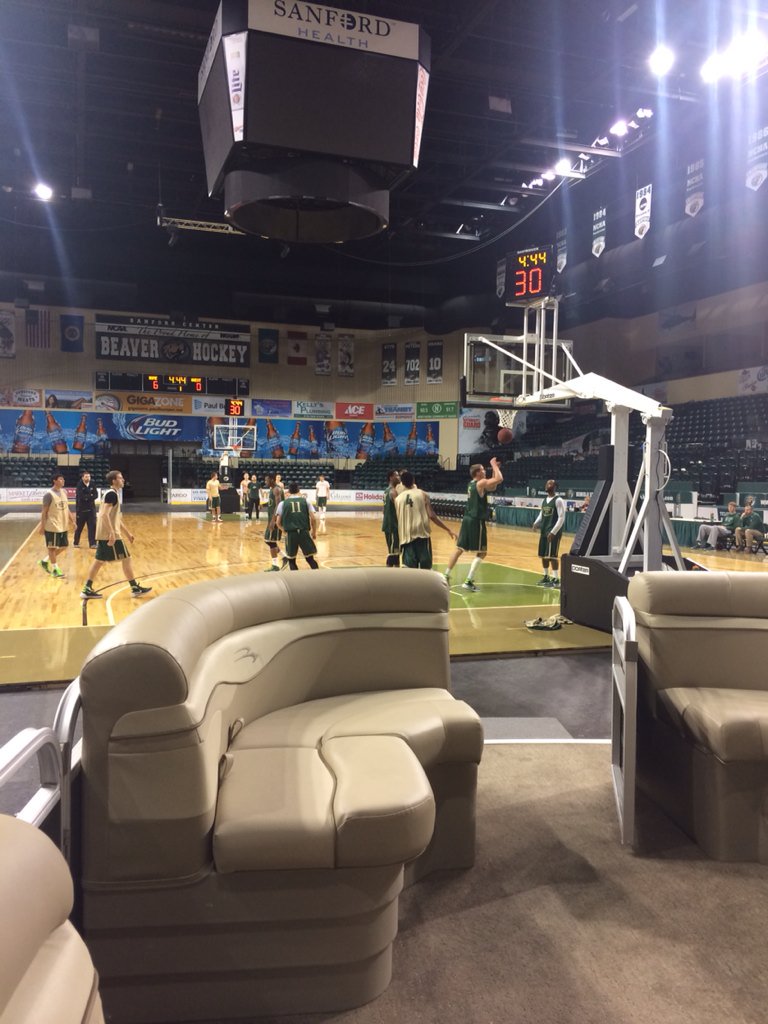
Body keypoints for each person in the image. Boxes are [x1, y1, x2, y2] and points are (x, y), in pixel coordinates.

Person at [80, 470, 151, 599]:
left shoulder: (112, 494)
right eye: (120, 478)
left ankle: (87, 589)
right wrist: (112, 533)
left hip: (106, 534)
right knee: (126, 559)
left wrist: (127, 533)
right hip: (109, 535)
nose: (123, 480)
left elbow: (115, 517)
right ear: (114, 481)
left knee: (99, 561)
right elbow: (103, 515)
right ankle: (134, 588)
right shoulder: (112, 494)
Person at [444, 458, 503, 591]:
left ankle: (446, 575)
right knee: (482, 552)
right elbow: (499, 479)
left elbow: (493, 485)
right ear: (477, 473)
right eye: (483, 469)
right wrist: (493, 465)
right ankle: (468, 581)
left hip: (467, 519)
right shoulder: (480, 482)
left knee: (459, 548)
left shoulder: (472, 484)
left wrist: (496, 469)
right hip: (476, 521)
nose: (485, 471)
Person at [395, 470, 455, 570]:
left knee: (409, 570)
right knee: (426, 569)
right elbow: (432, 516)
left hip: (406, 536)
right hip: (421, 535)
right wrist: (448, 529)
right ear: (413, 481)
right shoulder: (423, 494)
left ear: (402, 483)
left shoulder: (398, 499)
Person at [39, 472, 76, 579]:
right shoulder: (48, 495)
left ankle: (44, 561)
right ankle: (55, 570)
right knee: (52, 548)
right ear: (54, 481)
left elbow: (66, 508)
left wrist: (73, 521)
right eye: (60, 479)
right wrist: (42, 526)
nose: (63, 481)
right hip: (52, 525)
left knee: (64, 546)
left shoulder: (64, 492)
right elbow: (44, 512)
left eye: (63, 479)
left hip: (63, 525)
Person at [276, 481, 319, 570]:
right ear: (298, 490)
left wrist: (283, 530)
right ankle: (318, 576)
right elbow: (313, 519)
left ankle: (295, 578)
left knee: (291, 560)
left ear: (289, 491)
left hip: (291, 534)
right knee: (310, 559)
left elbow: (278, 523)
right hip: (304, 532)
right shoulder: (306, 501)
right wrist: (314, 532)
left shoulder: (282, 503)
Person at [532, 479, 566, 587]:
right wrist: (536, 523)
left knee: (552, 556)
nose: (547, 485)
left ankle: (556, 579)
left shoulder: (558, 500)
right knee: (543, 555)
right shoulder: (544, 500)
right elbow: (541, 513)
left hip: (552, 532)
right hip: (544, 530)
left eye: (550, 483)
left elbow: (561, 518)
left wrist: (553, 532)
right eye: (546, 483)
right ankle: (546, 577)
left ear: (555, 487)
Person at [263, 472, 288, 571]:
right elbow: (272, 503)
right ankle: (284, 557)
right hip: (272, 518)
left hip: (276, 519)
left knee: (270, 541)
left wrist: (273, 520)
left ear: (272, 480)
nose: (265, 482)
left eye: (267, 480)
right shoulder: (272, 489)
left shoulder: (277, 489)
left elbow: (278, 505)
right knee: (269, 541)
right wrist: (263, 505)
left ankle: (275, 565)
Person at [73, 469, 98, 547]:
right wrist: (90, 496)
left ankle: (93, 543)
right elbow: (81, 496)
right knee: (79, 527)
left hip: (91, 510)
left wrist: (88, 497)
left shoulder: (92, 484)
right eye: (86, 477)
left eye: (89, 477)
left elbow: (96, 495)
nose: (88, 478)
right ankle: (76, 543)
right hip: (81, 510)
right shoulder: (79, 485)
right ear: (83, 478)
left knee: (92, 527)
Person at [382, 469, 401, 567]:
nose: (399, 477)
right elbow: (400, 508)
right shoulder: (393, 492)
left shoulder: (386, 490)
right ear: (391, 478)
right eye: (396, 475)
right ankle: (388, 571)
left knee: (395, 551)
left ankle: (396, 570)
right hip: (392, 525)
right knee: (393, 552)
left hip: (388, 524)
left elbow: (383, 510)